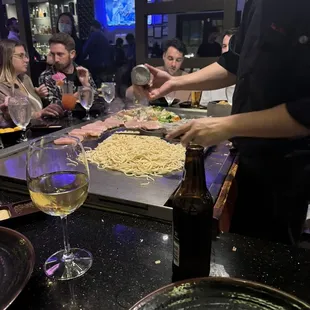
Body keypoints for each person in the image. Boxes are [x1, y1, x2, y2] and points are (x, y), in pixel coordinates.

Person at [134, 0, 310, 245]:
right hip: (246, 156)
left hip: (285, 170)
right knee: (241, 251)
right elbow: (234, 63)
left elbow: (305, 111)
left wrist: (227, 125)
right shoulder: (256, 4)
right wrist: (174, 83)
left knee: (269, 260)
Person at [0, 39, 63, 125]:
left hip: (40, 132)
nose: (26, 60)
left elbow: (36, 108)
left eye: (25, 56)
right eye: (20, 56)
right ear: (7, 58)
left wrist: (39, 96)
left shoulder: (25, 79)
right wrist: (38, 114)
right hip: (21, 136)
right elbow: (3, 123)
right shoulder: (2, 88)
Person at [39, 33, 96, 106]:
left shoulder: (82, 72)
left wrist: (86, 85)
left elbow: (98, 101)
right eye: (53, 54)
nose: (56, 59)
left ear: (72, 54)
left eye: (60, 54)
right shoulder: (47, 76)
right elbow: (54, 108)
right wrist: (77, 96)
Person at [126, 38, 191, 102]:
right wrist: (141, 85)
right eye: (170, 59)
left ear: (182, 60)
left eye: (178, 60)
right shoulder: (154, 74)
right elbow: (128, 95)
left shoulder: (187, 79)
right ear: (164, 56)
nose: (173, 64)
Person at [201, 28, 237, 106]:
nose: (227, 50)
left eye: (231, 46)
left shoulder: (248, 79)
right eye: (224, 46)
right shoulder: (211, 78)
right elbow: (203, 108)